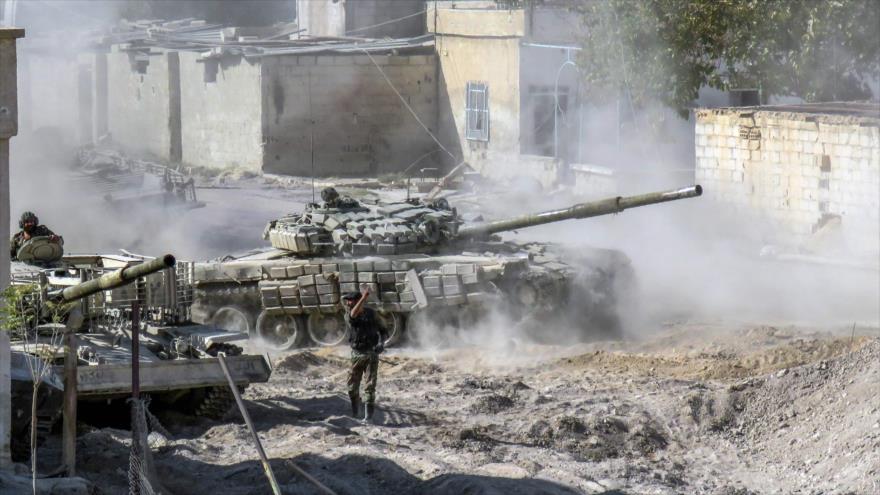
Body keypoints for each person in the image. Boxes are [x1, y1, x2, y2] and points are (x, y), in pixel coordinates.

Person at [343, 286, 388, 421]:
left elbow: (383, 330)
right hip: (357, 355)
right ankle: (356, 413)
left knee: (369, 386)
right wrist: (364, 297)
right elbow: (353, 315)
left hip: (371, 355)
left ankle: (368, 418)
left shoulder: (372, 314)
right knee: (352, 386)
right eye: (347, 301)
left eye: (350, 300)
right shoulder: (348, 314)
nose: (348, 303)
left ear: (357, 301)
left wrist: (381, 344)